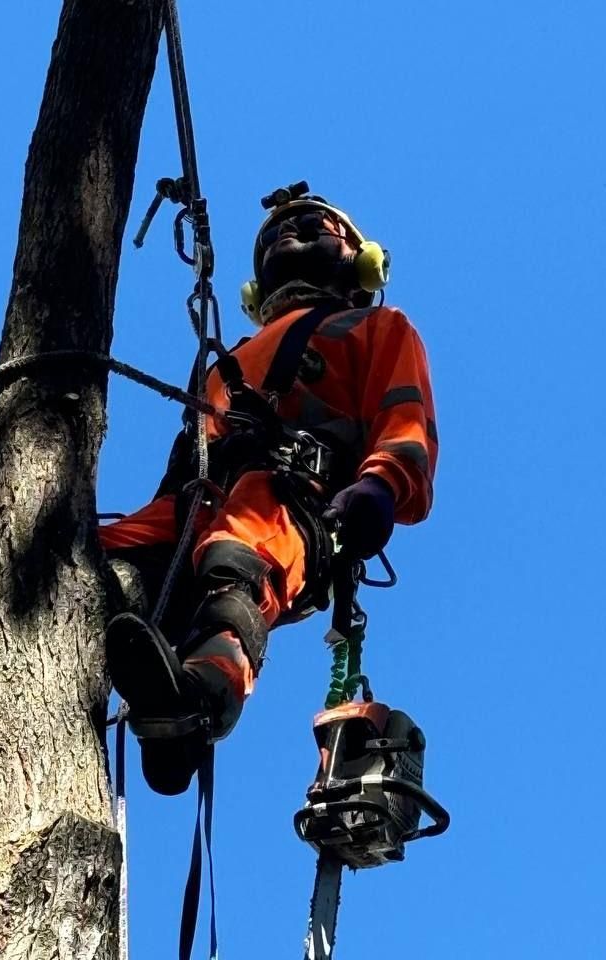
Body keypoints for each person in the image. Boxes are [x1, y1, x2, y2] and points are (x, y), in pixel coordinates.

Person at [101, 184, 438, 795]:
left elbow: (404, 419)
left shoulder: (377, 327)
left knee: (240, 547)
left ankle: (200, 697)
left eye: (314, 225)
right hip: (198, 500)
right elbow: (188, 457)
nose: (291, 231)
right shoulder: (228, 359)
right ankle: (146, 680)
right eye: (277, 232)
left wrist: (381, 486)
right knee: (100, 552)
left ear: (361, 262)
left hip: (293, 500)